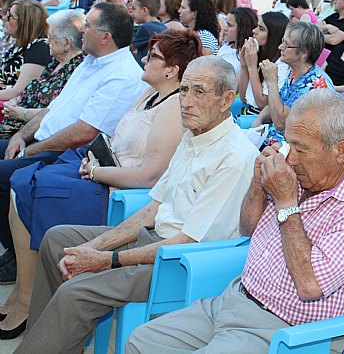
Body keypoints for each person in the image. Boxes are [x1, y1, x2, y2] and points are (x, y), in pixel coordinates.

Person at [15, 56, 260, 352]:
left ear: (226, 100)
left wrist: (105, 259)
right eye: (183, 90)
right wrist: (96, 246)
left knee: (75, 292)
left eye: (200, 92)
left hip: (181, 263)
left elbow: (187, 240)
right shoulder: (194, 134)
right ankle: (52, 341)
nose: (186, 101)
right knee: (58, 239)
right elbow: (153, 207)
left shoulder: (234, 157)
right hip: (156, 240)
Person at [126, 88, 344, 353]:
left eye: (301, 149)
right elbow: (248, 228)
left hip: (287, 330)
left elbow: (309, 284)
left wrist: (286, 202)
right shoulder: (306, 174)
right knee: (141, 342)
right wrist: (258, 184)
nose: (290, 158)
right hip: (235, 299)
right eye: (288, 144)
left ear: (339, 151)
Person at [0, 30, 200, 337]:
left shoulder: (173, 108)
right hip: (101, 170)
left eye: (154, 56)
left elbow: (148, 176)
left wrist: (96, 173)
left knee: (30, 189)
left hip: (118, 190)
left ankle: (26, 301)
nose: (145, 59)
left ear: (172, 69)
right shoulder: (148, 94)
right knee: (21, 181)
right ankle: (22, 294)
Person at [0, 3, 146, 279]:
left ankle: (20, 259)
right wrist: (20, 135)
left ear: (105, 37)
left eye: (88, 26)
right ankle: (15, 251)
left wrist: (31, 148)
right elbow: (55, 108)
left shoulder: (122, 74)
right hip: (44, 141)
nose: (82, 31)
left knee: (4, 176)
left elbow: (84, 133)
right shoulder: (89, 62)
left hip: (64, 152)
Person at [0, 10, 84, 140]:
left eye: (51, 38)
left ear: (67, 43)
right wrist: (15, 102)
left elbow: (59, 111)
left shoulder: (77, 69)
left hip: (29, 134)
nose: (46, 42)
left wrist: (22, 113)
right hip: (12, 125)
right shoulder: (55, 62)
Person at [253, 22, 335, 147]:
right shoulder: (295, 73)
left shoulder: (313, 84)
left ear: (304, 53)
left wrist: (272, 82)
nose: (280, 47)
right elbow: (277, 104)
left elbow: (280, 123)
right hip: (271, 142)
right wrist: (260, 119)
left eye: (286, 44)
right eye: (282, 41)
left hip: (290, 151)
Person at [238, 11, 290, 112]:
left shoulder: (282, 64)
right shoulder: (260, 55)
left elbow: (262, 103)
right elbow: (243, 98)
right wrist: (244, 65)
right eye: (257, 26)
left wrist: (252, 67)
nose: (254, 31)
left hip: (260, 119)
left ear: (274, 34)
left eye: (261, 29)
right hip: (247, 113)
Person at [0, 0, 51, 101]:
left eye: (10, 16)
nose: (4, 18)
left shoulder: (39, 48)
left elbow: (18, 91)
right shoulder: (20, 43)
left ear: (24, 22)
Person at [217, 7, 258, 76]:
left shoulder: (250, 51)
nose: (225, 29)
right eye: (226, 24)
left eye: (229, 25)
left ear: (242, 28)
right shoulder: (226, 47)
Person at [130, 0, 167, 66]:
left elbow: (131, 48)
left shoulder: (145, 28)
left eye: (134, 9)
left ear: (144, 10)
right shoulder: (163, 26)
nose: (131, 12)